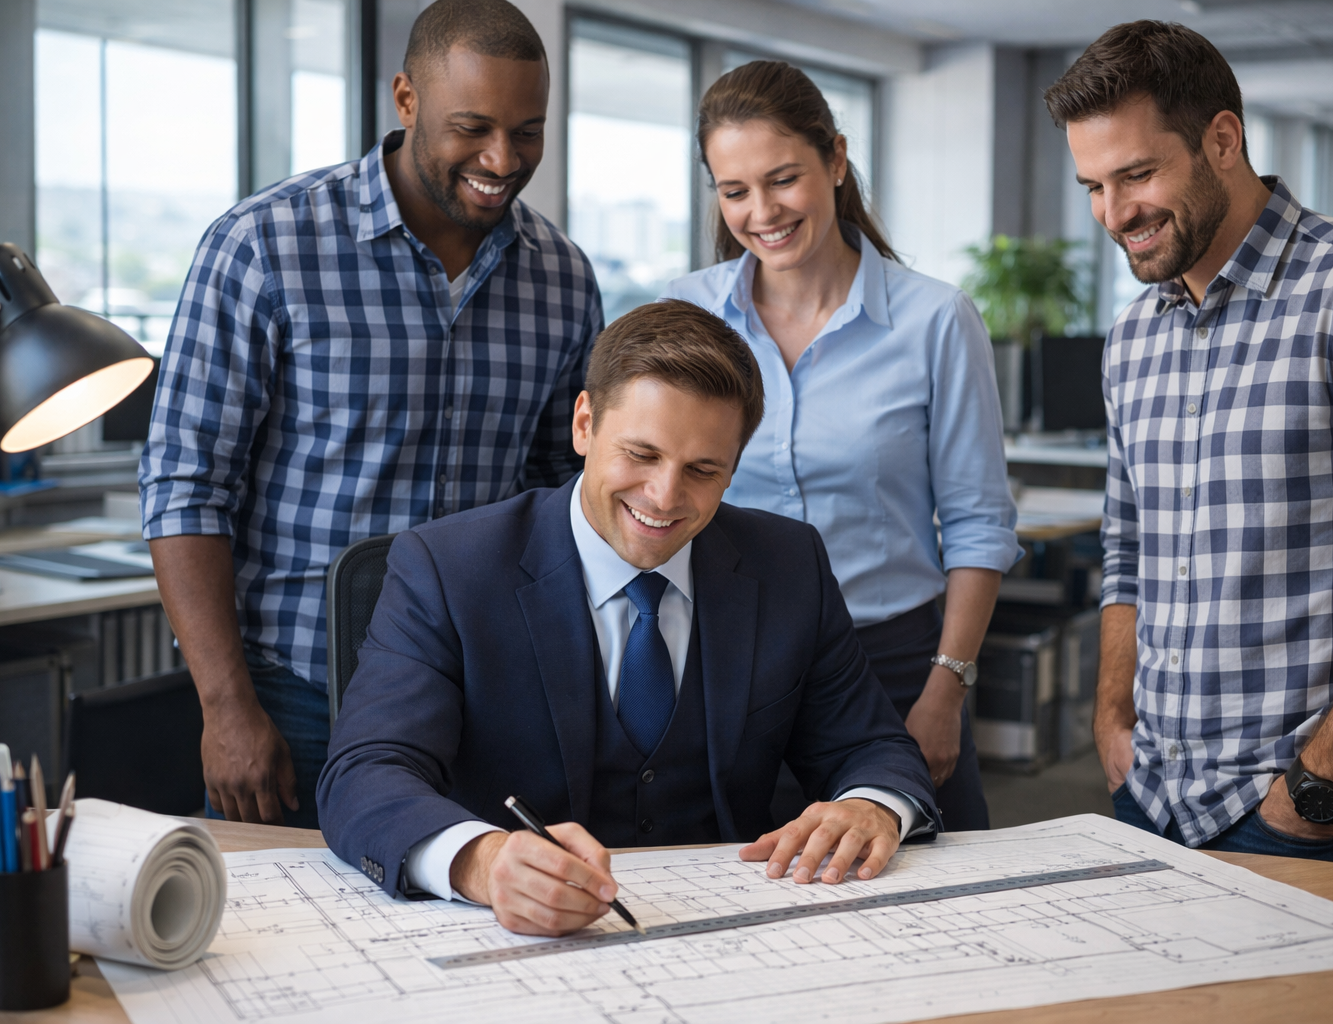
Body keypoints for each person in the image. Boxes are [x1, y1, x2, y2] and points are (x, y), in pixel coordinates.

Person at [318, 300, 938, 936]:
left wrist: (871, 806)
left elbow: (871, 745)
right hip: (513, 939)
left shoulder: (789, 564)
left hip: (734, 928)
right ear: (584, 424)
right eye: (641, 454)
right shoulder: (449, 567)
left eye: (703, 469)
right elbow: (365, 773)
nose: (664, 498)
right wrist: (482, 861)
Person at [139, 0, 600, 829]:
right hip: (294, 699)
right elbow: (185, 486)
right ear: (406, 99)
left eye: (528, 131)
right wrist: (227, 709)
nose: (503, 158)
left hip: (481, 699)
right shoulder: (264, 244)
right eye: (474, 127)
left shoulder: (563, 277)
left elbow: (560, 490)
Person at [1047, 21, 1333, 871]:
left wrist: (1314, 790)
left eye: (1137, 174)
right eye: (1093, 186)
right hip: (1153, 798)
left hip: (1325, 819)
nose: (1115, 214)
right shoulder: (1135, 336)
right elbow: (1128, 549)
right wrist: (1113, 722)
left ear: (1222, 140)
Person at [663, 61, 1019, 832]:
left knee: (929, 908)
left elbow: (978, 525)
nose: (762, 211)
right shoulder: (685, 316)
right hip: (728, 665)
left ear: (835, 159)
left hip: (892, 668)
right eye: (734, 191)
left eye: (783, 178)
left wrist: (944, 691)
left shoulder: (934, 320)